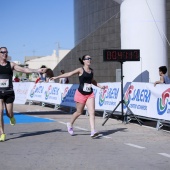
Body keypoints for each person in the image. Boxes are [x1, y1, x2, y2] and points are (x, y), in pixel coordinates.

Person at [50, 54, 105, 138]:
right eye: (87, 58)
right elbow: (69, 74)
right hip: (80, 94)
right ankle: (70, 123)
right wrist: (56, 77)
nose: (89, 60)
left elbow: (92, 81)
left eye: (90, 58)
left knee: (92, 112)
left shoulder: (91, 71)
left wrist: (100, 86)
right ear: (83, 61)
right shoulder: (80, 70)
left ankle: (93, 131)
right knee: (79, 112)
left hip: (90, 93)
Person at [0, 47, 47, 142]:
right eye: (2, 52)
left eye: (6, 52)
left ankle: (11, 117)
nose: (5, 54)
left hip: (9, 91)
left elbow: (24, 70)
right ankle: (2, 133)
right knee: (0, 112)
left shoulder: (11, 64)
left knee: (9, 113)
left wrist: (36, 70)